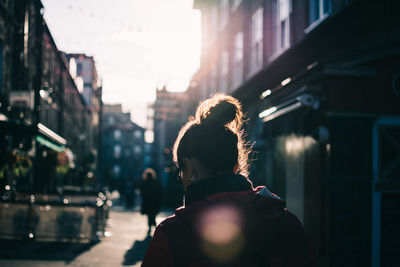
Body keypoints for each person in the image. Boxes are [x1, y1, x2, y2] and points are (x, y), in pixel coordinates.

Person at [141, 94, 316, 267]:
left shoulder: (173, 234)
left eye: (181, 169)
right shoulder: (287, 224)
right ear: (236, 166)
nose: (180, 177)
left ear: (190, 166)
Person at [140, 168, 163, 235]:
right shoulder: (156, 182)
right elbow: (160, 192)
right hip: (154, 202)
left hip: (148, 202)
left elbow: (142, 192)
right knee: (153, 215)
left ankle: (151, 227)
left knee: (150, 215)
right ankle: (154, 226)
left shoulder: (145, 183)